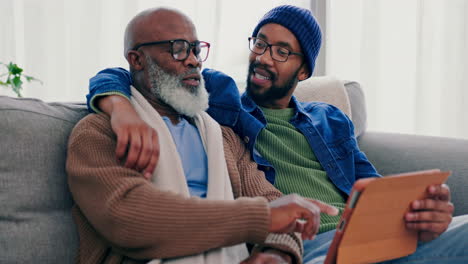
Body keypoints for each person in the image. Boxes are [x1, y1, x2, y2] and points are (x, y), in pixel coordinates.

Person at [86, 5, 468, 264]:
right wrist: (117, 106)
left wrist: (419, 214)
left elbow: (373, 189)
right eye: (261, 43)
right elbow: (136, 71)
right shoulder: (222, 101)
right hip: (314, 245)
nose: (265, 57)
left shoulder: (330, 118)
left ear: (304, 72)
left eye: (282, 51)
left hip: (363, 236)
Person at [67, 7, 340, 264]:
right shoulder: (99, 132)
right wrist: (262, 218)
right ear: (136, 60)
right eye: (178, 49)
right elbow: (130, 220)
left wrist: (276, 254)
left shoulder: (222, 136)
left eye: (196, 49)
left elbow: (275, 204)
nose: (193, 61)